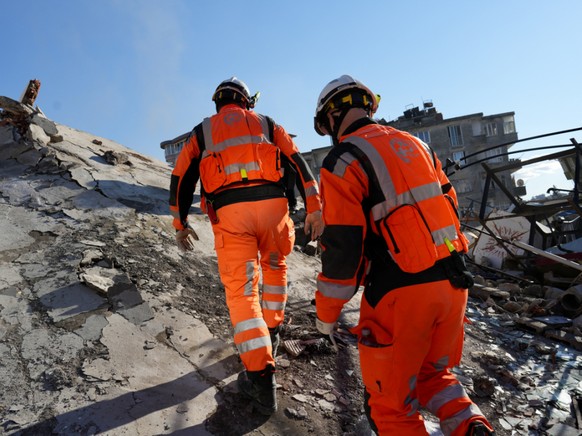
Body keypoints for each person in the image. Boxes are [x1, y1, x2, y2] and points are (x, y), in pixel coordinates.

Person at [312, 75, 495, 435]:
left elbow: (343, 251)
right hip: (454, 286)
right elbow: (450, 210)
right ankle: (471, 425)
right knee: (433, 375)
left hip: (401, 295)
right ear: (367, 106)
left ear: (332, 117)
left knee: (391, 407)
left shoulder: (342, 160)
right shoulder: (417, 145)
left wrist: (325, 315)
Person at [169, 77, 323, 415]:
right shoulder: (267, 124)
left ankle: (259, 374)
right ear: (246, 101)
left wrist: (180, 224)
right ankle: (273, 331)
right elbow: (299, 163)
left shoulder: (203, 132)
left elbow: (181, 178)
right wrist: (314, 207)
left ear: (217, 102)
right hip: (272, 212)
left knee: (241, 293)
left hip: (232, 217)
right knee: (274, 266)